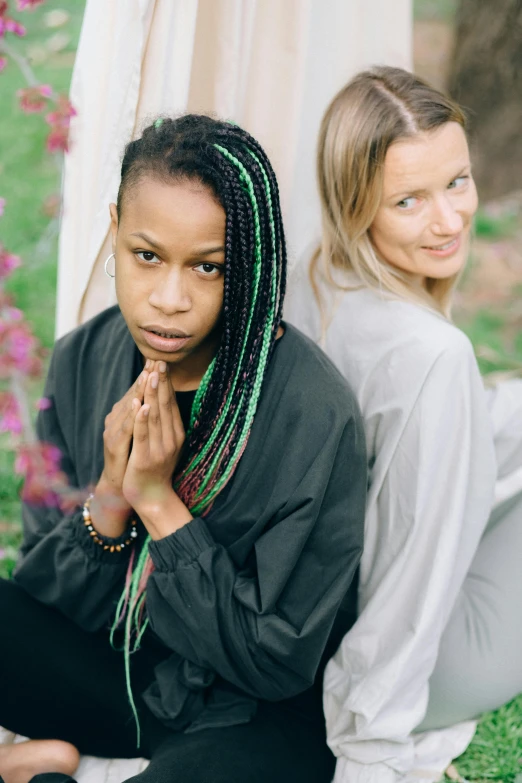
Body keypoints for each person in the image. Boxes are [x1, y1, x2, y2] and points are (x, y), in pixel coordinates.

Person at [0, 115, 367, 783]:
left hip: (244, 714)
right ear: (114, 231)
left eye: (209, 267)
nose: (168, 299)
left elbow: (276, 661)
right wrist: (110, 499)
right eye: (146, 255)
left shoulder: (314, 413)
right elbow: (41, 605)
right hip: (113, 672)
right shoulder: (85, 357)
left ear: (251, 268)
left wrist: (158, 502)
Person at [286, 66, 522, 782]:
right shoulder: (431, 354)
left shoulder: (314, 275)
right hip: (406, 662)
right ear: (357, 205)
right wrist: (371, 741)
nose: (448, 220)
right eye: (409, 201)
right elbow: (411, 571)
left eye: (456, 181)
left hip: (300, 633)